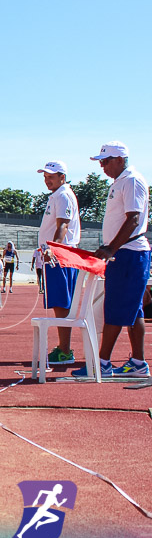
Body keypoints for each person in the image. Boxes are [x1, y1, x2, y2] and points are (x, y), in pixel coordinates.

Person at [74, 142, 150, 378]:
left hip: (128, 252)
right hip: (126, 252)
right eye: (101, 161)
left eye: (105, 161)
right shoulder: (121, 182)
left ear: (120, 159)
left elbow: (133, 219)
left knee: (116, 308)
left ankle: (102, 363)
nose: (102, 166)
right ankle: (138, 363)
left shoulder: (131, 181)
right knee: (133, 310)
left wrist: (111, 248)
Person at [36, 160, 82, 367]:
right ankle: (64, 348)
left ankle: (65, 350)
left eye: (51, 177)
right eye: (45, 177)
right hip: (59, 255)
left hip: (59, 257)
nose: (47, 180)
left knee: (61, 304)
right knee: (60, 304)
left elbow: (63, 224)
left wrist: (52, 249)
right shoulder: (59, 194)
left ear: (62, 177)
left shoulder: (63, 195)